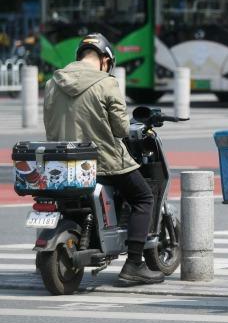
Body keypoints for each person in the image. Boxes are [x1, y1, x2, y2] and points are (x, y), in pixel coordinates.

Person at [43, 33, 163, 284]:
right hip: (103, 161)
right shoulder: (106, 83)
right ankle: (133, 264)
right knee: (143, 196)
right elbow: (121, 129)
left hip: (62, 164)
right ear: (105, 60)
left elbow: (49, 124)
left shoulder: (53, 82)